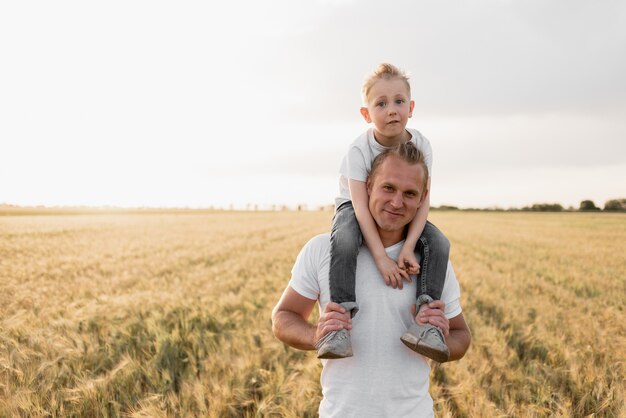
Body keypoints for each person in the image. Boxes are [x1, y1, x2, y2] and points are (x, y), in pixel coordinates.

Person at [272, 142, 471, 417]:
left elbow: (462, 336)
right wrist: (316, 335)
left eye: (409, 193)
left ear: (422, 198)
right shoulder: (322, 250)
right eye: (388, 188)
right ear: (367, 186)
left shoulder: (432, 264)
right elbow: (283, 317)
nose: (397, 202)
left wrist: (441, 338)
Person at [322, 63, 451, 361]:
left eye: (398, 101)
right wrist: (381, 258)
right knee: (343, 240)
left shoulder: (421, 144)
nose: (392, 109)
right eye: (381, 104)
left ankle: (427, 321)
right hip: (354, 205)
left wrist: (408, 246)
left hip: (401, 208)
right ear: (366, 115)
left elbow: (422, 200)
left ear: (411, 107)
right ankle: (339, 322)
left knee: (440, 243)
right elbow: (360, 209)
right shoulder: (359, 150)